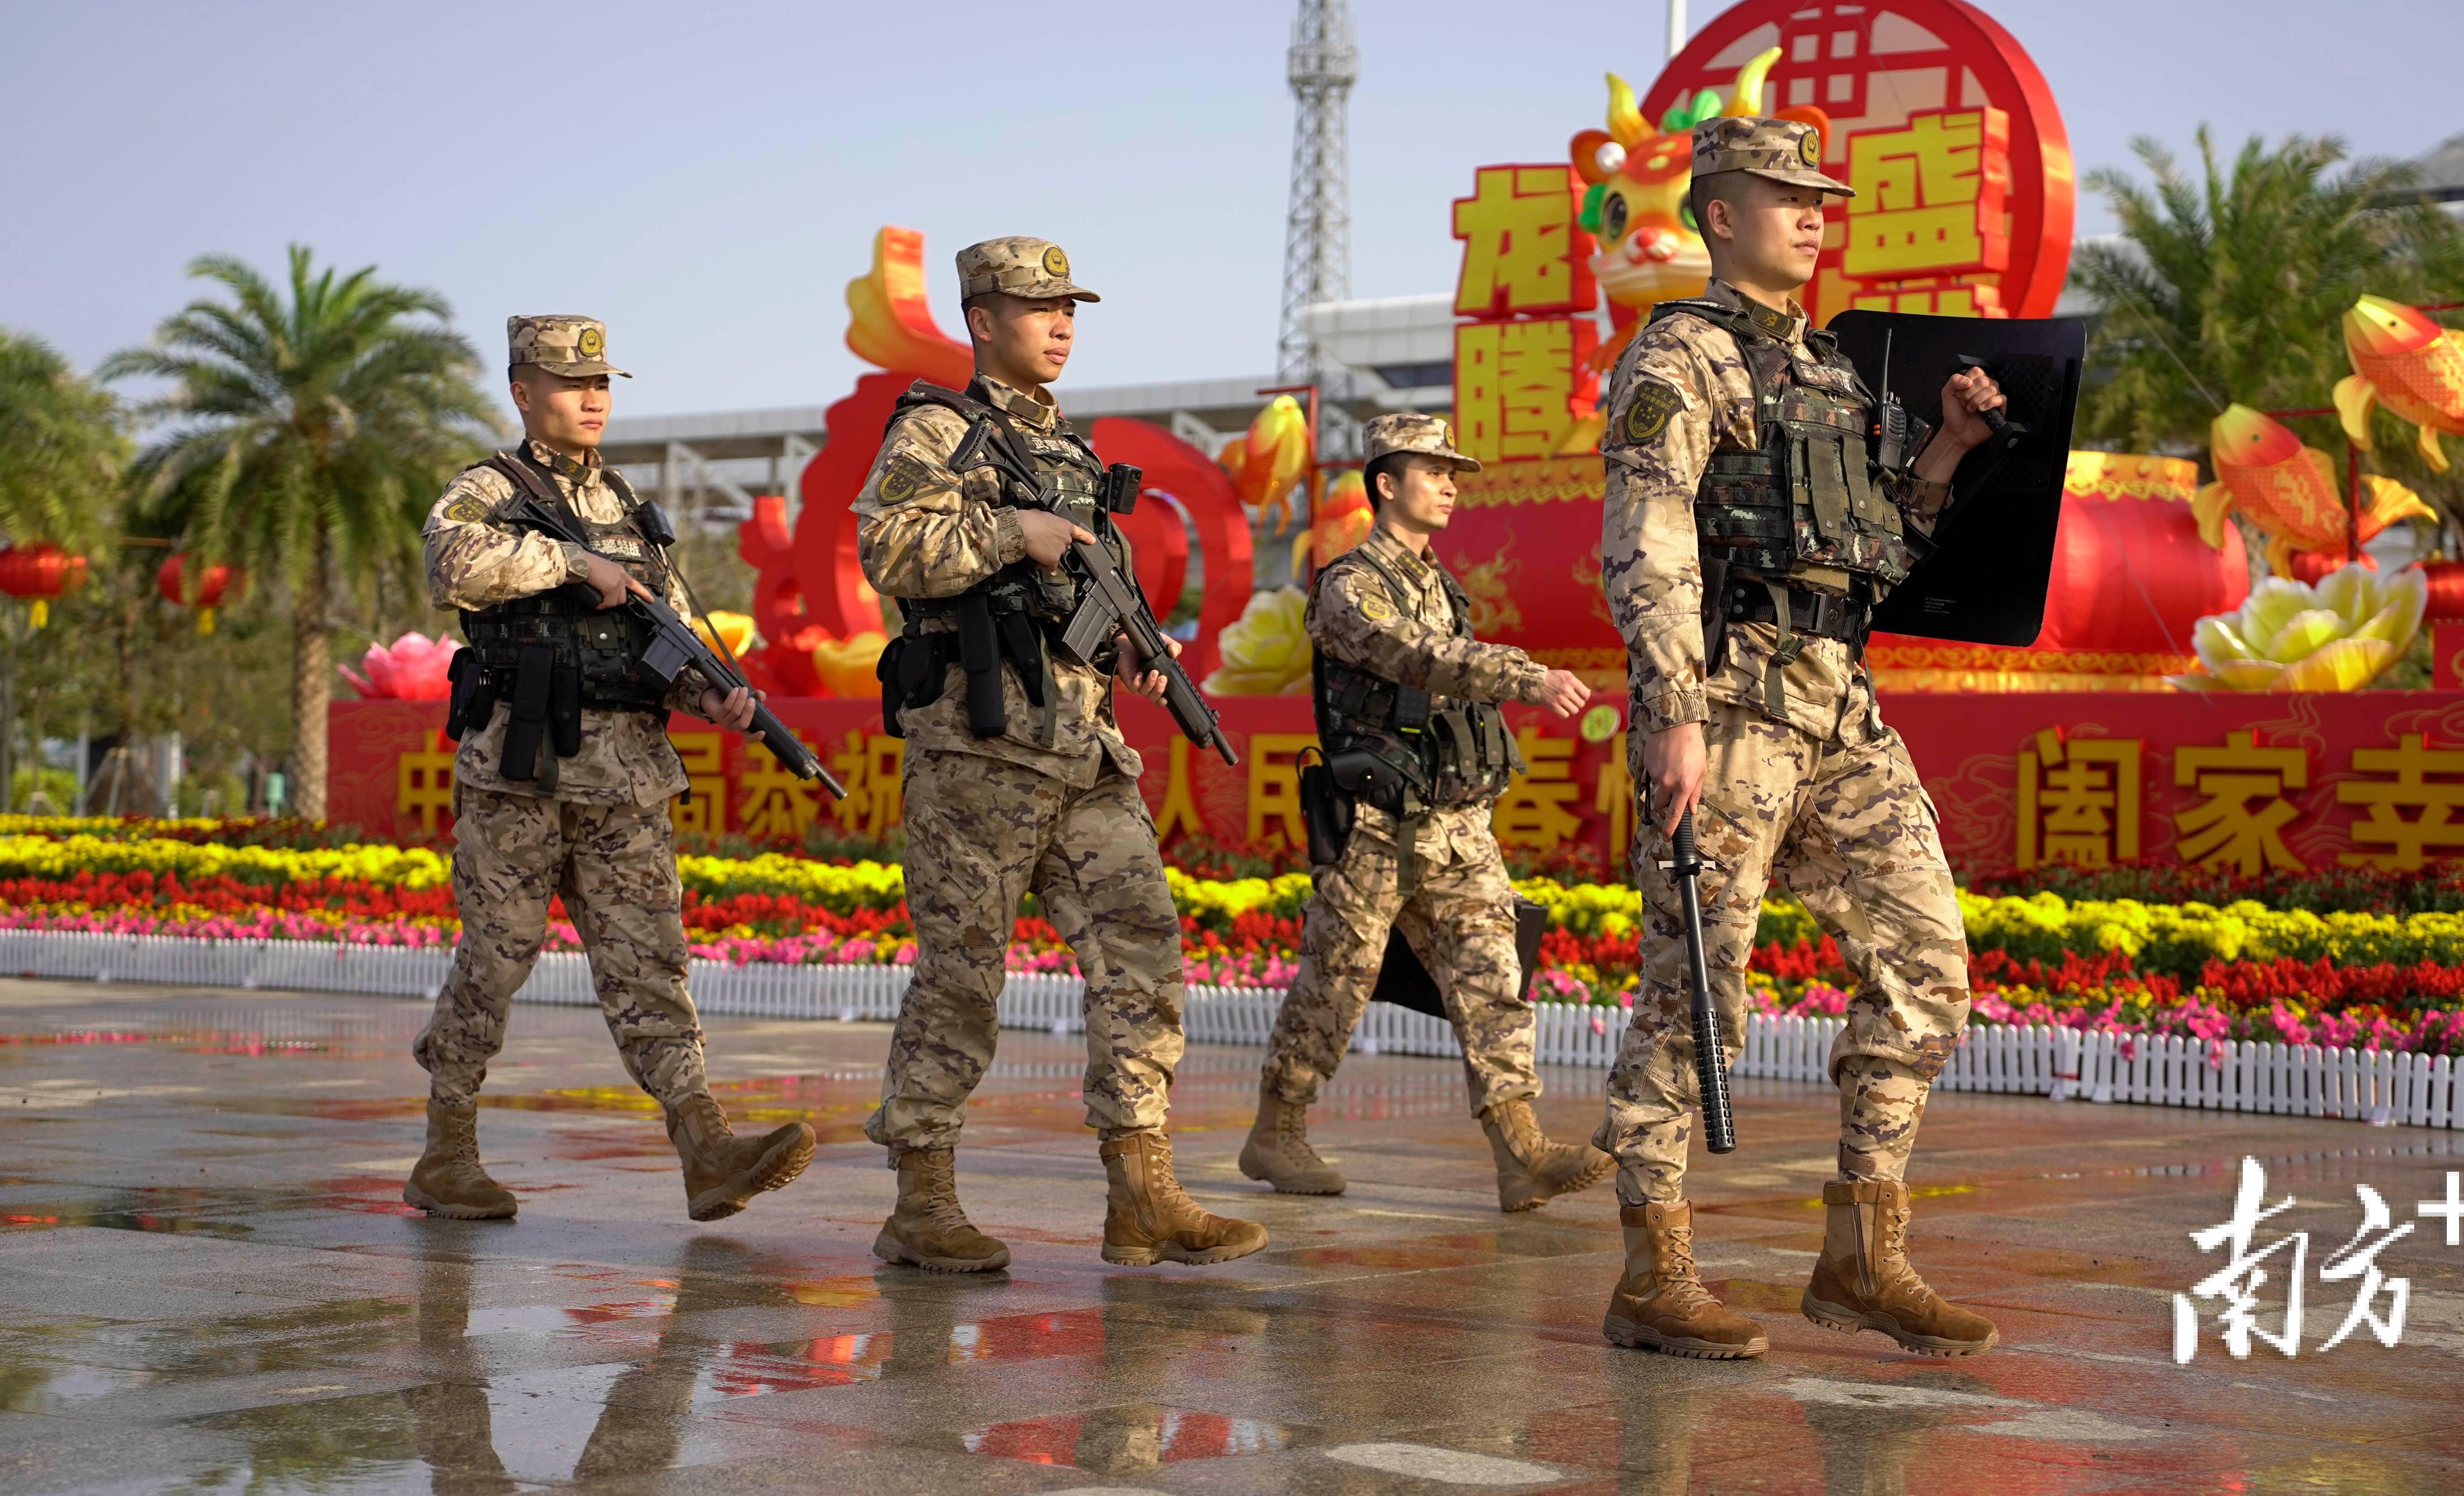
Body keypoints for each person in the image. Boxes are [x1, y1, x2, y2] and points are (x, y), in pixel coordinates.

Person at [1595, 113, 2009, 1360]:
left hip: (1837, 698)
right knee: (1694, 989)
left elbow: (1871, 545)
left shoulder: (1825, 368)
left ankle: (1860, 1256)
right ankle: (1651, 1269)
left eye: (1820, 196)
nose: (1813, 213)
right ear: (1719, 213)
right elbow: (1648, 539)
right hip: (1726, 700)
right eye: (1785, 196)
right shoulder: (1679, 351)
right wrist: (1668, 714)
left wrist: (1945, 445)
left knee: (1928, 962)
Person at [853, 237, 1267, 1272]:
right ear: (981, 318)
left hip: (1084, 752)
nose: (1060, 322)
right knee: (962, 976)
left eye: (1069, 306)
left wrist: (1131, 643)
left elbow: (1075, 594)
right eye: (1036, 306)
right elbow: (887, 547)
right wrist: (1008, 532)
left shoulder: (1074, 458)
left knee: (1142, 949)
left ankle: (1142, 1190)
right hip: (977, 749)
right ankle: (923, 1197)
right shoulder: (938, 429)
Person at [410, 314, 818, 1223]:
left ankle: (704, 1145)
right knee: (497, 958)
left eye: (602, 382)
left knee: (650, 964)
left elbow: (656, 638)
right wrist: (567, 561)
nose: (593, 397)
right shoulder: (489, 487)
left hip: (628, 775)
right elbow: (453, 565)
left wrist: (711, 699)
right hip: (520, 770)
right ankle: (447, 1146)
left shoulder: (633, 506)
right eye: (570, 381)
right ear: (524, 391)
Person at [1240, 413, 1611, 1211]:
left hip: (1454, 822)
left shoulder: (1437, 583)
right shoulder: (1349, 585)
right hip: (1376, 823)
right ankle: (1277, 1131)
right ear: (1386, 483)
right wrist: (1522, 674)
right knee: (1337, 982)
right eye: (1432, 469)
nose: (1449, 483)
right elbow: (1411, 654)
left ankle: (1522, 1154)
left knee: (1492, 979)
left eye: (1454, 471)